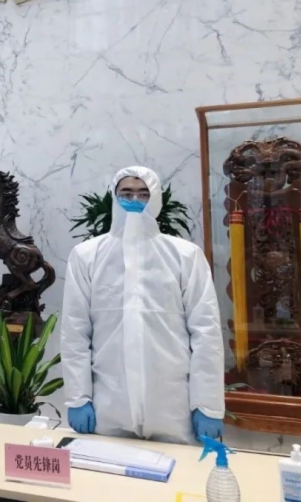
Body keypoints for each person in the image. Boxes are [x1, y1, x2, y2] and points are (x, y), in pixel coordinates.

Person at [61, 166, 225, 444]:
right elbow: (75, 333)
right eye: (126, 194)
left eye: (143, 194)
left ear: (156, 198)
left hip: (172, 404)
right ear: (114, 197)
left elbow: (205, 332)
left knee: (179, 469)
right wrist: (78, 398)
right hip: (109, 403)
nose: (134, 201)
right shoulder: (87, 256)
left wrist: (207, 404)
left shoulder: (185, 255)